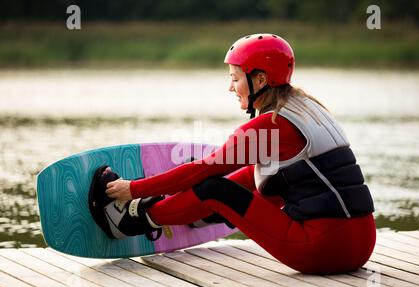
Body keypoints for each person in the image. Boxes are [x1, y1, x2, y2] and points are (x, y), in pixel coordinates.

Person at [89, 33, 376, 274]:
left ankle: (130, 221)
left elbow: (201, 170)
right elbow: (258, 177)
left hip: (320, 250)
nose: (230, 87)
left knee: (213, 188)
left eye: (235, 78)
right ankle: (202, 215)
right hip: (361, 246)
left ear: (260, 80)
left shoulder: (269, 126)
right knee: (268, 178)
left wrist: (133, 189)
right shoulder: (309, 108)